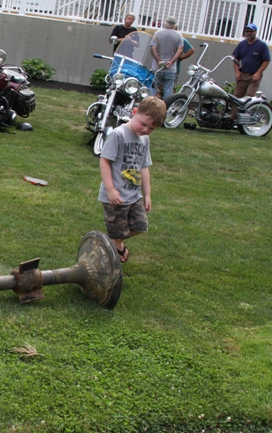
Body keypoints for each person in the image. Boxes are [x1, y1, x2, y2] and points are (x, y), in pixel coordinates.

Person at [98, 96, 166, 263]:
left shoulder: (144, 140)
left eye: (151, 128)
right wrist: (110, 190)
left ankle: (109, 242)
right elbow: (104, 161)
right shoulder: (118, 135)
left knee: (140, 226)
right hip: (116, 197)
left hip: (134, 195)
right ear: (134, 112)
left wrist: (147, 194)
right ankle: (112, 247)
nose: (145, 130)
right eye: (143, 123)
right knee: (118, 231)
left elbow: (144, 167)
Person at [149, 17, 183, 100]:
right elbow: (180, 50)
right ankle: (165, 108)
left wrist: (158, 60)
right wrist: (171, 62)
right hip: (171, 69)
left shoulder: (157, 33)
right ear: (175, 25)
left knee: (153, 89)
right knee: (168, 91)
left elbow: (153, 48)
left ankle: (149, 108)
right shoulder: (178, 35)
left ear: (165, 23)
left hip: (157, 67)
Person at [232, 23, 270, 97]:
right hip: (243, 74)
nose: (249, 33)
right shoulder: (241, 44)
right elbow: (235, 58)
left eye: (251, 31)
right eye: (247, 31)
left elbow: (266, 60)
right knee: (236, 97)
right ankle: (235, 109)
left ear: (255, 32)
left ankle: (249, 108)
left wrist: (258, 73)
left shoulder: (262, 45)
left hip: (254, 75)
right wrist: (237, 72)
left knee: (249, 96)